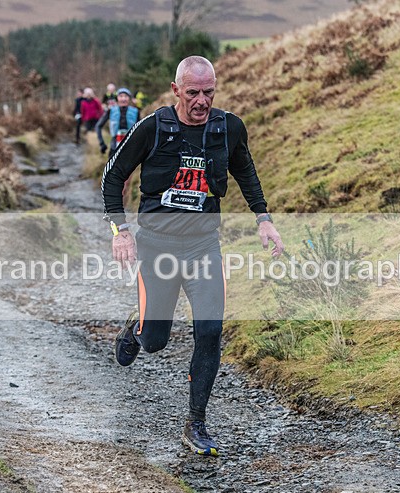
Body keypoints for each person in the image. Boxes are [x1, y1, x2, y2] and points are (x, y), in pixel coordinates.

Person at [101, 56, 284, 457]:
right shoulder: (152, 128)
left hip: (203, 247)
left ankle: (196, 423)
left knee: (210, 331)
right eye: (193, 93)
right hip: (157, 248)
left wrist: (263, 219)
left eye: (208, 92)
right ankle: (137, 328)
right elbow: (112, 177)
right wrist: (121, 231)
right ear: (176, 90)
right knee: (155, 342)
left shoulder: (228, 128)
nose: (201, 101)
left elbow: (246, 172)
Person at [95, 87, 140, 156]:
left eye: (126, 96)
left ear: (129, 98)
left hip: (131, 147)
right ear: (117, 98)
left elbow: (142, 129)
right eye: (121, 96)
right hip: (114, 147)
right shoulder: (111, 111)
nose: (123, 99)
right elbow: (98, 126)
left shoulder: (135, 111)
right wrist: (102, 143)